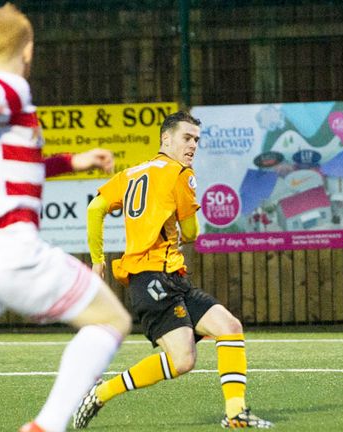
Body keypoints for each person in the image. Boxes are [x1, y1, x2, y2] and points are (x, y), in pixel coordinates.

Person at [0, 4, 132, 432]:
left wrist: (74, 160)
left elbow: (16, 164)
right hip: (9, 250)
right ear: (29, 50)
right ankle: (47, 426)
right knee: (113, 321)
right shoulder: (8, 86)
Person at [75, 111, 273, 429]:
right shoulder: (181, 173)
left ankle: (236, 413)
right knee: (183, 361)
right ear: (166, 139)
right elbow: (191, 232)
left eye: (196, 139)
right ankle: (100, 393)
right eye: (187, 137)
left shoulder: (131, 173)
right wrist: (185, 223)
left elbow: (95, 208)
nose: (193, 145)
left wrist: (98, 260)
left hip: (167, 278)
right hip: (153, 278)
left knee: (229, 326)